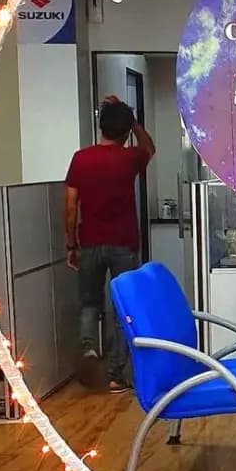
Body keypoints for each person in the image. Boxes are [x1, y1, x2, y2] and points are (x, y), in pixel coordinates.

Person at [65, 96, 155, 393]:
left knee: (90, 304)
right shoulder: (130, 158)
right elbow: (149, 149)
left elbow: (70, 205)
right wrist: (133, 119)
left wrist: (71, 244)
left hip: (90, 242)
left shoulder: (81, 158)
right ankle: (116, 374)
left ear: (99, 126)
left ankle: (89, 350)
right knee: (122, 309)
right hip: (124, 244)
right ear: (126, 131)